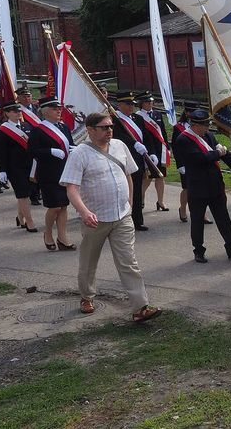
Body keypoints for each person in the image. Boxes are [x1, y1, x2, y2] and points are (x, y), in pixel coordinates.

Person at [61, 111, 161, 323]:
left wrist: (131, 205)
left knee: (129, 262)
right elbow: (71, 188)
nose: (109, 131)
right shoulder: (79, 153)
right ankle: (87, 296)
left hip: (122, 216)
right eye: (104, 127)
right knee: (89, 261)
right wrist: (84, 212)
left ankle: (140, 307)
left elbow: (128, 175)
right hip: (95, 219)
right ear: (90, 130)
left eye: (110, 127)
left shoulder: (119, 146)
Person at [174, 109, 231, 263]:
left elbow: (225, 153)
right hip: (198, 187)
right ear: (195, 125)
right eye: (204, 125)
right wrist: (218, 153)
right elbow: (200, 158)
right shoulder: (184, 139)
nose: (207, 128)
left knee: (223, 218)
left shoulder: (208, 136)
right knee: (197, 220)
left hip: (215, 185)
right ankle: (198, 250)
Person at [29, 99, 77, 251]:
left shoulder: (63, 127)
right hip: (48, 173)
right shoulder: (38, 130)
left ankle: (63, 238)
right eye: (54, 108)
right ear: (45, 111)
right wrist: (50, 151)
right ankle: (48, 232)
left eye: (59, 108)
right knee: (54, 207)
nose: (59, 111)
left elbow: (70, 143)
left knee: (63, 206)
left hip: (65, 171)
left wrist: (74, 149)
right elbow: (32, 151)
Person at [112, 91, 153, 231]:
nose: (131, 107)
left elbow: (146, 136)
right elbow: (117, 137)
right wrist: (133, 144)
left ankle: (137, 220)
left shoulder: (137, 118)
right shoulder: (115, 120)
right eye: (127, 104)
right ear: (120, 104)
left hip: (139, 159)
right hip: (123, 159)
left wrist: (151, 153)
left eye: (132, 104)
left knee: (136, 190)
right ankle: (123, 220)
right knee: (125, 190)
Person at [0, 102, 38, 234]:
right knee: (23, 194)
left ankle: (20, 217)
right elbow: (1, 152)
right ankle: (29, 222)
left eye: (19, 111)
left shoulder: (26, 126)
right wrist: (2, 169)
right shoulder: (3, 130)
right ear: (7, 113)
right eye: (14, 111)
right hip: (14, 167)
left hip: (30, 165)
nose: (18, 113)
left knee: (25, 193)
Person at [135, 94, 171, 213]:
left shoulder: (157, 114)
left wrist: (167, 147)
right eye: (147, 102)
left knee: (160, 176)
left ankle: (160, 201)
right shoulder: (138, 116)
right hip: (147, 150)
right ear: (142, 103)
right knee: (148, 177)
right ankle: (141, 199)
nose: (150, 104)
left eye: (151, 101)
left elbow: (163, 132)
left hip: (160, 149)